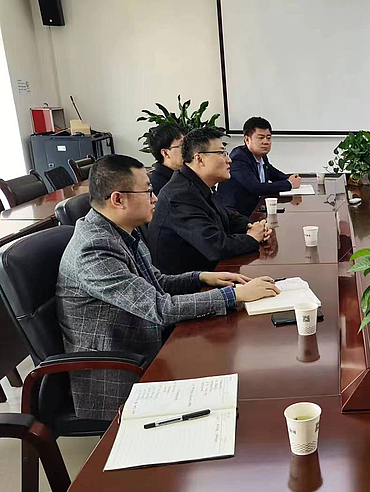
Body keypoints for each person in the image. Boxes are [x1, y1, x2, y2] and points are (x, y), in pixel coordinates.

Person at [57, 154, 280, 420]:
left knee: (237, 355)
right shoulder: (94, 250)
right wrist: (233, 295)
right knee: (237, 370)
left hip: (146, 341)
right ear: (118, 199)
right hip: (119, 371)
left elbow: (156, 282)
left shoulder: (119, 230)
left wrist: (202, 277)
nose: (155, 198)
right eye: (147, 191)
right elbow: (160, 308)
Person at [148, 127, 271, 274]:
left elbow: (225, 215)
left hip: (209, 271)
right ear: (199, 158)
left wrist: (251, 225)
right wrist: (252, 238)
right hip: (189, 282)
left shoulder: (196, 184)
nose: (229, 160)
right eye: (221, 153)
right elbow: (216, 247)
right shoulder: (180, 195)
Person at [217, 117, 302, 217]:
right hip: (236, 215)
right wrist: (289, 184)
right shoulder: (238, 158)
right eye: (261, 138)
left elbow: (273, 173)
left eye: (268, 138)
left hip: (255, 209)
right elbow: (255, 187)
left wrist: (290, 178)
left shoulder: (261, 156)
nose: (266, 142)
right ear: (247, 139)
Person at [147, 124, 185, 195]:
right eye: (183, 145)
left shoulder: (183, 175)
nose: (189, 149)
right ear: (165, 153)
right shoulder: (159, 185)